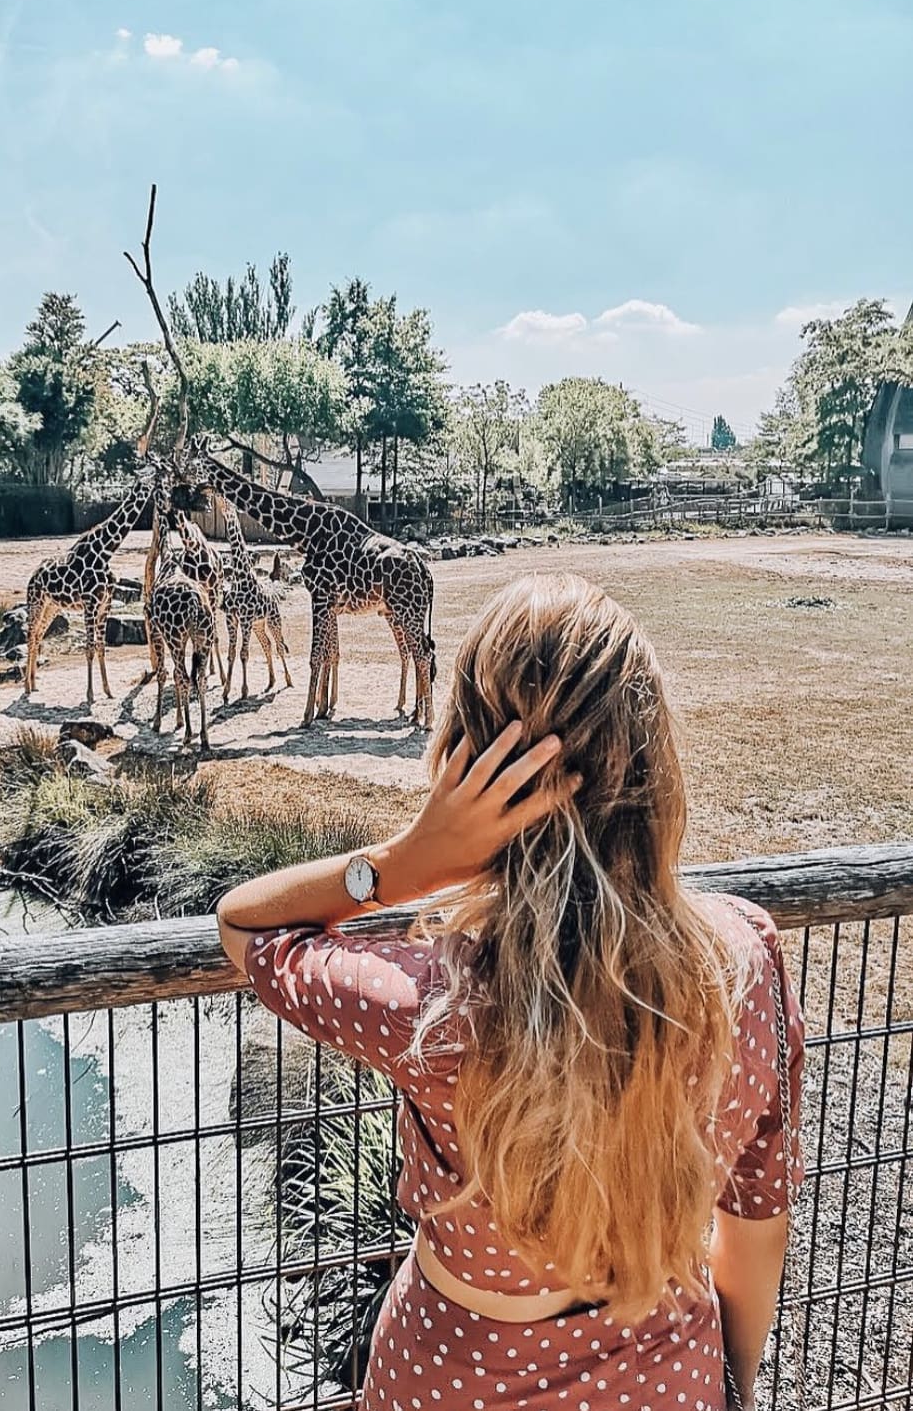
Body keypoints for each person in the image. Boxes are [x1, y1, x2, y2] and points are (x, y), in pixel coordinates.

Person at [218, 573, 804, 1411]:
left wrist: (406, 861)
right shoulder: (739, 964)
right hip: (668, 1374)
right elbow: (754, 1226)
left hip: (449, 1380)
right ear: (651, 760)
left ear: (467, 762)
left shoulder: (426, 1001)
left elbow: (243, 925)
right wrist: (725, 1391)